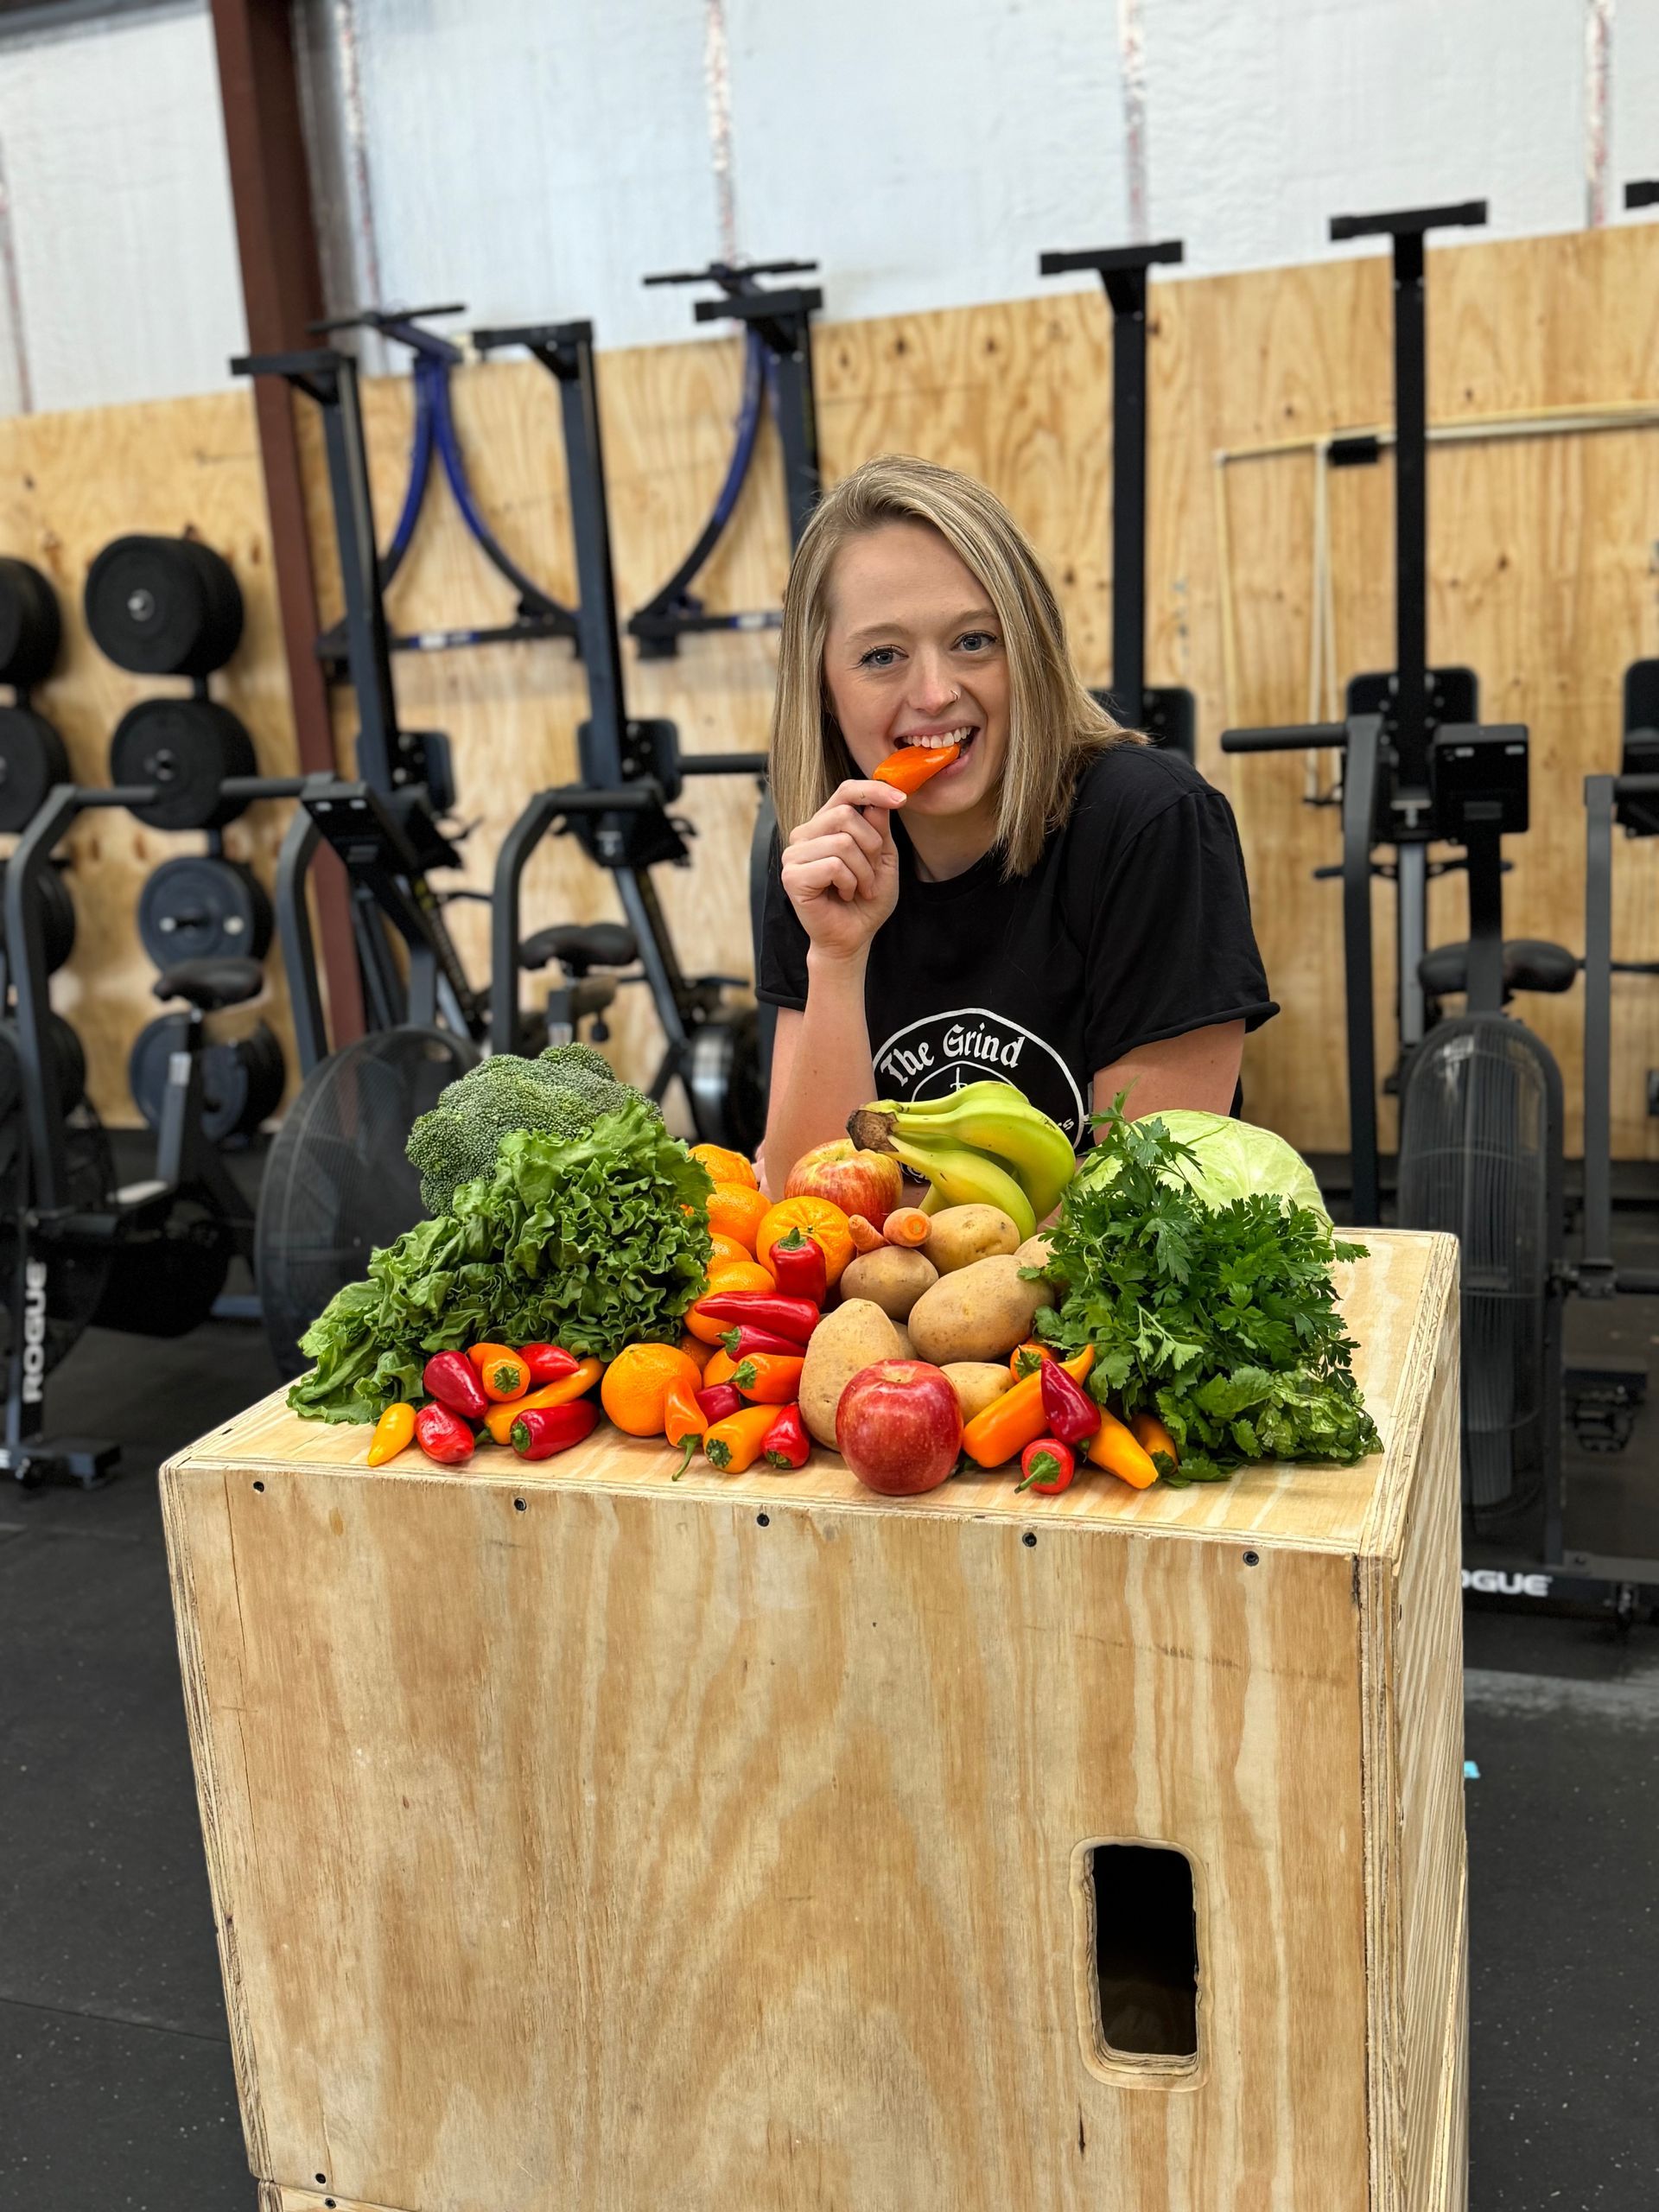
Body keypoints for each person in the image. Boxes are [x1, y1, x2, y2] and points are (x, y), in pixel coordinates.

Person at [757, 454, 1275, 1198]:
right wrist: (837, 958)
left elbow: (1140, 1204)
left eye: (975, 640)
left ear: (1028, 654)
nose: (935, 693)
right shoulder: (821, 854)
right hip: (890, 1307)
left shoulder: (1150, 824)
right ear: (824, 693)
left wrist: (944, 1284)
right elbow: (806, 1207)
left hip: (1097, 1306)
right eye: (881, 656)